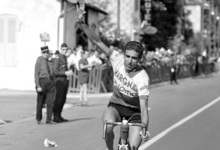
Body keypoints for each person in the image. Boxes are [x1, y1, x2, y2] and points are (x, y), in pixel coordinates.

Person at [77, 9, 150, 150]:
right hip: (116, 105)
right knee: (108, 126)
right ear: (123, 54)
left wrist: (145, 128)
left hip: (134, 111)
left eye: (134, 58)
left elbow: (144, 109)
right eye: (127, 56)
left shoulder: (142, 77)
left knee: (134, 147)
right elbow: (96, 40)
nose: (129, 61)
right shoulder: (116, 58)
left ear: (140, 59)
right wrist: (81, 22)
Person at [52, 43, 73, 123]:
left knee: (63, 99)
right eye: (63, 49)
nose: (65, 51)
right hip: (59, 81)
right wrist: (65, 73)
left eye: (66, 49)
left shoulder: (65, 58)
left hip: (64, 81)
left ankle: (59, 115)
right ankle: (55, 116)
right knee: (59, 99)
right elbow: (55, 71)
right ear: (61, 50)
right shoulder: (58, 58)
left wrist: (68, 72)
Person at [34, 46, 55, 124]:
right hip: (42, 82)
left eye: (47, 52)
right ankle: (38, 118)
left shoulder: (50, 62)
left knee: (50, 102)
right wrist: (38, 85)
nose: (46, 54)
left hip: (50, 83)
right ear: (41, 53)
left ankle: (49, 119)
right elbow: (36, 74)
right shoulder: (39, 61)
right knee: (40, 102)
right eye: (44, 52)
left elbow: (53, 74)